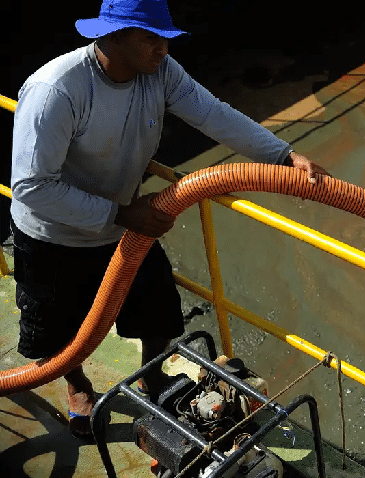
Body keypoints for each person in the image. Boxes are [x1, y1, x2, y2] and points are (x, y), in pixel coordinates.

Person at [10, 0, 330, 439]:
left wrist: (283, 155)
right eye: (151, 38)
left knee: (158, 310)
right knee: (60, 334)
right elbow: (32, 186)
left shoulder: (159, 72)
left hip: (123, 222)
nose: (163, 49)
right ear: (113, 36)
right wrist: (122, 212)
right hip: (54, 234)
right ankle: (78, 386)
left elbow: (213, 113)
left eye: (165, 38)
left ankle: (152, 376)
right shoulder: (57, 90)